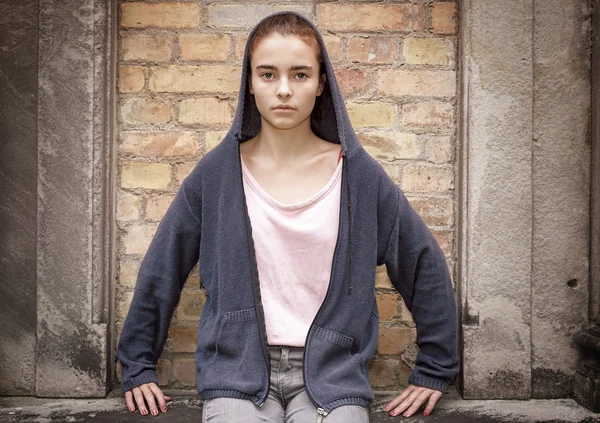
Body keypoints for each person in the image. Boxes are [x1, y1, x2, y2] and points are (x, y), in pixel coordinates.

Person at [117, 10, 460, 422]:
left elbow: (424, 265)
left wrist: (434, 370)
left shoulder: (358, 176)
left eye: (299, 75)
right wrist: (137, 365)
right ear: (249, 83)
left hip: (333, 379)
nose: (283, 89)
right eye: (267, 74)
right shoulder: (216, 176)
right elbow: (162, 267)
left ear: (320, 84)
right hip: (237, 373)